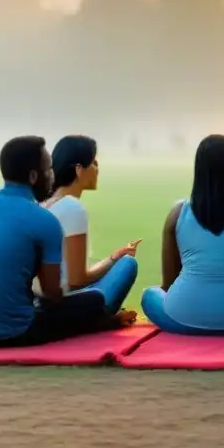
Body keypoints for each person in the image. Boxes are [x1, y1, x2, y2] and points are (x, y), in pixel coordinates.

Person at [0, 136, 124, 347]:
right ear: (34, 176)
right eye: (49, 170)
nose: (53, 176)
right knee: (94, 300)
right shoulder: (45, 221)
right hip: (7, 331)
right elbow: (53, 295)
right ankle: (97, 324)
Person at [141, 135, 224, 335]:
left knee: (149, 295)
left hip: (182, 318)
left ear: (199, 169)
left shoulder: (177, 214)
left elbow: (167, 285)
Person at [41, 135, 139, 319]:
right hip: (61, 307)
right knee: (127, 265)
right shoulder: (72, 207)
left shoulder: (45, 203)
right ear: (79, 169)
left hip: (41, 300)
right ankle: (101, 320)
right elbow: (77, 280)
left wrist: (113, 257)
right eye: (94, 163)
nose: (97, 169)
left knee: (120, 261)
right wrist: (115, 261)